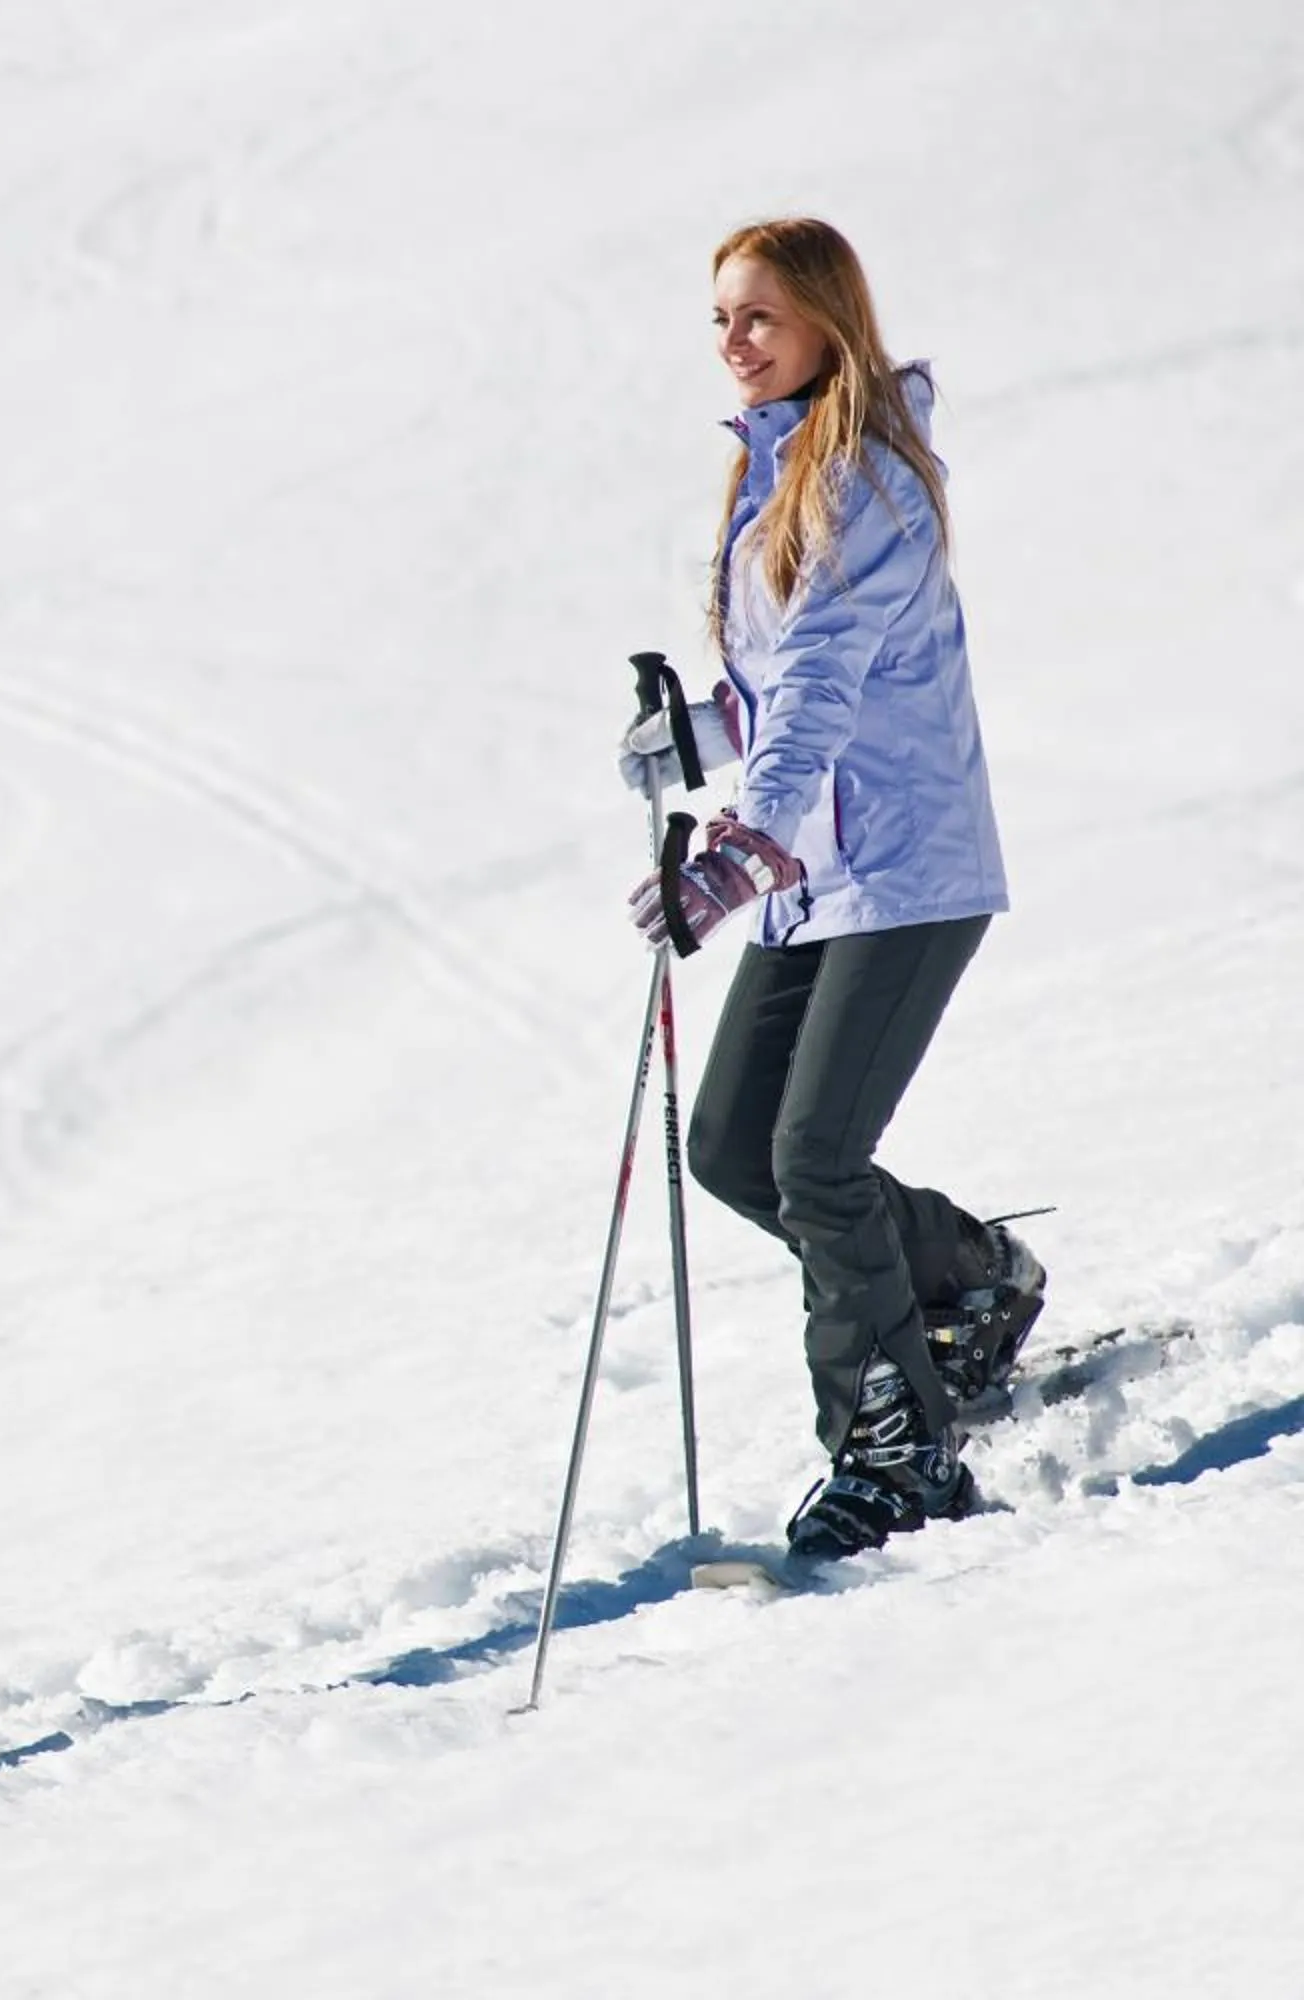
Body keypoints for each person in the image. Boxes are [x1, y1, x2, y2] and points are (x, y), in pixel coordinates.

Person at [616, 217, 1043, 1563]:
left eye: (758, 317)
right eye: (723, 321)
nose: (735, 344)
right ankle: (963, 1281)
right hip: (824, 872)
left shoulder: (861, 478)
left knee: (814, 1156)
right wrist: (697, 733)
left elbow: (820, 686)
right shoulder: (779, 471)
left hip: (905, 868)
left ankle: (897, 1452)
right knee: (737, 1145)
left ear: (823, 320)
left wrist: (743, 845)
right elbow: (778, 687)